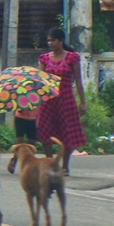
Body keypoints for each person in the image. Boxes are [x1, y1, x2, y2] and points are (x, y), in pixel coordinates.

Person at [37, 28, 87, 174]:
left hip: (66, 100)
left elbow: (78, 80)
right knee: (45, 130)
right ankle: (50, 162)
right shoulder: (44, 58)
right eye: (48, 40)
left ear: (61, 41)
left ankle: (65, 166)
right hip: (48, 100)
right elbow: (40, 79)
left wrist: (82, 102)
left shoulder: (72, 58)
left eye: (53, 40)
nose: (50, 43)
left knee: (68, 133)